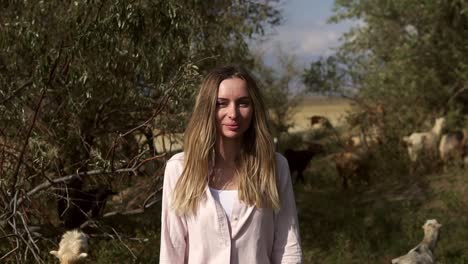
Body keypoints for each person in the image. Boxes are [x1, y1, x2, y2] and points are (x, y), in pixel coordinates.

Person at [159, 65, 302, 264]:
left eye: (243, 103)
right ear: (207, 108)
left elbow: (288, 247)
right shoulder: (180, 168)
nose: (233, 113)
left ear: (254, 109)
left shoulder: (275, 166)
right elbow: (171, 251)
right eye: (221, 103)